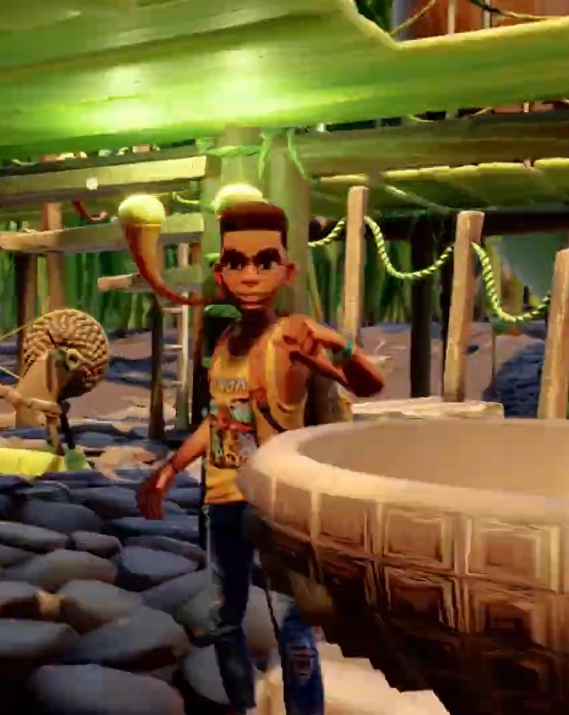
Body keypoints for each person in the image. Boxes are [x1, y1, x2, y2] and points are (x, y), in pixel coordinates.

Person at [128, 195, 385, 715]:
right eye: (236, 263)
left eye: (265, 262)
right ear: (221, 273)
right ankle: (243, 706)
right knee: (226, 620)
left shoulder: (291, 335)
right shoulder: (225, 342)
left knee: (293, 626)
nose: (250, 275)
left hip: (275, 508)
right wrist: (172, 468)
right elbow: (220, 419)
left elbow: (369, 383)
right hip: (223, 502)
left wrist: (335, 349)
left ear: (287, 272)